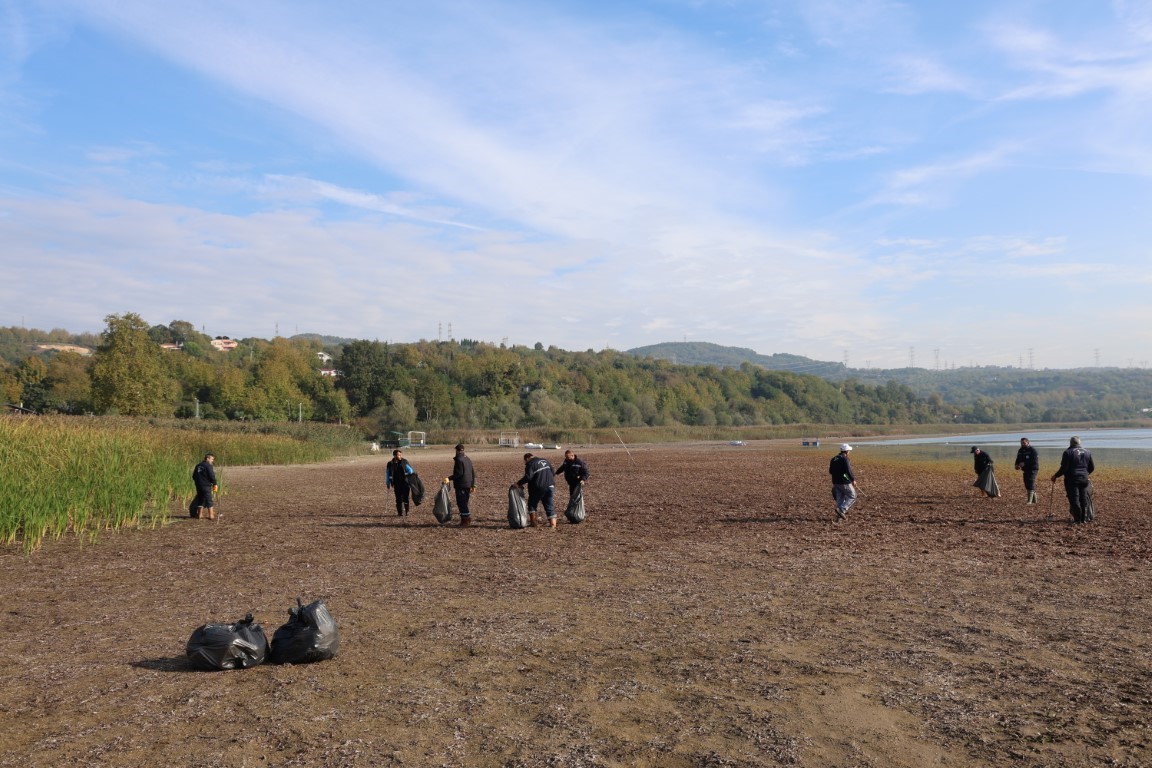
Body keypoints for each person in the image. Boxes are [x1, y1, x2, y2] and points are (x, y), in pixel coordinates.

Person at [1052, 435, 1095, 524]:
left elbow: (1064, 468)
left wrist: (1056, 476)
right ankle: (1084, 519)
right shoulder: (1087, 452)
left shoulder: (1068, 452)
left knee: (1074, 499)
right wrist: (1085, 474)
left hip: (1072, 479)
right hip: (1084, 478)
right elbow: (1092, 467)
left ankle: (1077, 519)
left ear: (1070, 443)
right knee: (1083, 499)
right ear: (1079, 443)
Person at [517, 452, 557, 528]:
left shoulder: (530, 464)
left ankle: (534, 523)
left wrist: (518, 483)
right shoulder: (545, 460)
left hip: (539, 487)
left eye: (525, 461)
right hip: (551, 486)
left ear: (527, 459)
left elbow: (528, 477)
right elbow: (553, 472)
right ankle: (553, 525)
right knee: (549, 505)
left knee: (532, 504)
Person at [829, 443, 858, 521]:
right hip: (844, 482)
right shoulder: (845, 459)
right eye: (849, 451)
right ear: (846, 451)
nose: (849, 452)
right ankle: (842, 510)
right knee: (853, 496)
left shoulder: (834, 459)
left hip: (835, 482)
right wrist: (853, 479)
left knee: (840, 498)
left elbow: (830, 471)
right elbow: (848, 470)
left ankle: (839, 517)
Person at [449, 444, 476, 527]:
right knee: (464, 502)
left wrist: (449, 478)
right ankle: (465, 518)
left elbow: (459, 473)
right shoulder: (467, 459)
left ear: (457, 450)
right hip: (468, 484)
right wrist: (473, 485)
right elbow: (473, 473)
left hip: (461, 484)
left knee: (461, 503)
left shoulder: (459, 460)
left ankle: (465, 520)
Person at [385, 449, 415, 516]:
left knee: (405, 498)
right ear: (394, 455)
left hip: (405, 483)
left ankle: (407, 512)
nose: (399, 456)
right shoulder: (390, 464)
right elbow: (387, 474)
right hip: (396, 484)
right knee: (398, 498)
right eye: (398, 455)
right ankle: (400, 513)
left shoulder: (404, 462)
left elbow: (411, 471)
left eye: (400, 455)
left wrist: (406, 474)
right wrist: (388, 482)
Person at [190, 452, 218, 521]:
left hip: (198, 485)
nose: (212, 461)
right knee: (209, 499)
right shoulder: (208, 465)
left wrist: (198, 482)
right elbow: (211, 475)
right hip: (206, 485)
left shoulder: (198, 465)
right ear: (207, 458)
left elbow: (193, 476)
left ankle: (200, 515)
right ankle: (211, 515)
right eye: (212, 459)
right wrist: (214, 483)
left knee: (200, 499)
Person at [1014, 437, 1040, 504]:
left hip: (1033, 469)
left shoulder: (1032, 450)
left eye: (1024, 443)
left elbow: (1034, 461)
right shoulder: (1020, 450)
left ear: (1028, 442)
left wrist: (1025, 463)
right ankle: (1035, 501)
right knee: (1026, 485)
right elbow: (1018, 459)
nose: (1022, 444)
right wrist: (1016, 465)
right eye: (1021, 443)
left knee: (1030, 483)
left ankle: (1029, 501)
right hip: (1025, 470)